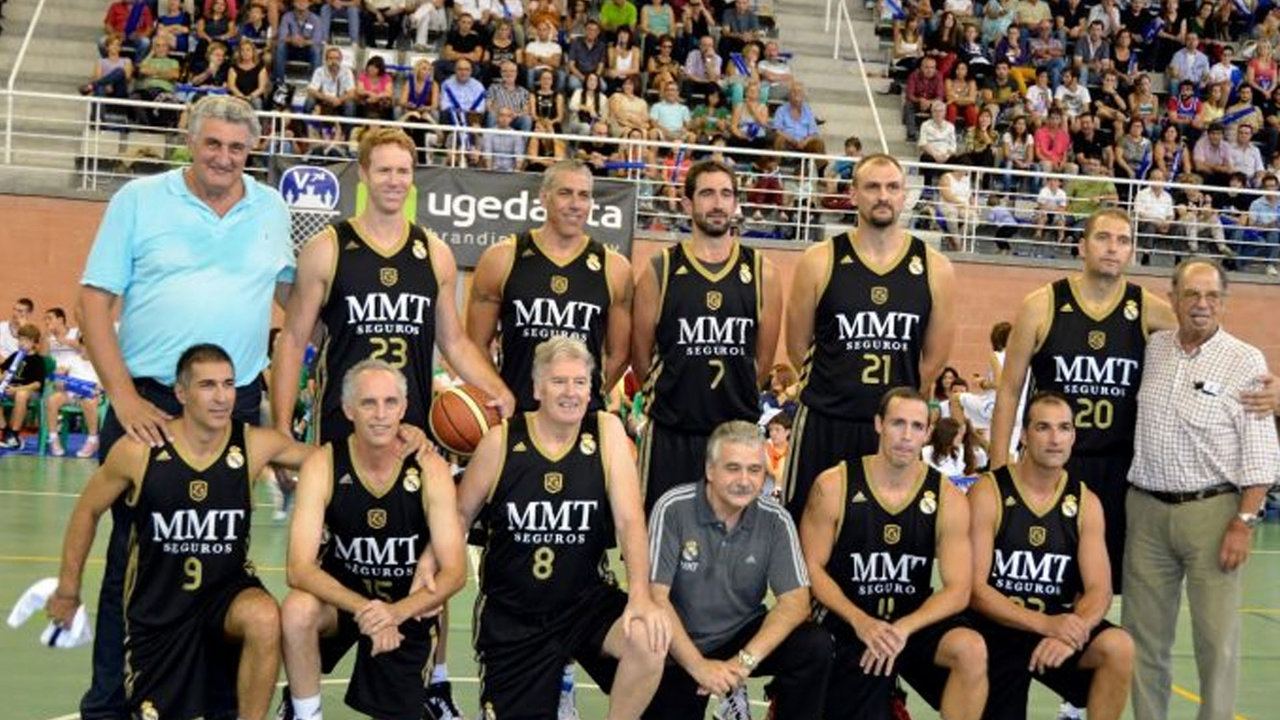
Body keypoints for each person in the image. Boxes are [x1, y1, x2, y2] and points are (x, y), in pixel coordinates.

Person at [76, 95, 294, 720]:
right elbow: (94, 301)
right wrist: (120, 395)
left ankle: (213, 698)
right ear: (189, 140)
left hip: (236, 402)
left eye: (237, 148)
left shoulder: (270, 207)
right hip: (150, 400)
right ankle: (112, 702)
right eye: (213, 144)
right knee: (137, 558)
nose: (225, 158)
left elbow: (291, 300)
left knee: (222, 556)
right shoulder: (138, 202)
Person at [46, 345, 314, 720]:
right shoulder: (140, 450)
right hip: (158, 612)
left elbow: (333, 458)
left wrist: (401, 441)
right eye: (207, 385)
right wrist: (68, 588)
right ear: (181, 393)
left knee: (265, 616)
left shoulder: (253, 443)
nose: (222, 397)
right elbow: (86, 511)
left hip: (224, 600)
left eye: (229, 384)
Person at [456, 336, 670, 719]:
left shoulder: (606, 432)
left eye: (580, 382)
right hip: (513, 616)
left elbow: (629, 519)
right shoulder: (500, 442)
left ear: (592, 389)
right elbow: (459, 517)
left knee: (650, 638)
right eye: (558, 381)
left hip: (584, 604)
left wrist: (639, 594)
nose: (570, 392)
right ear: (537, 388)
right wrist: (432, 566)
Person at [272, 126, 513, 446]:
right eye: (384, 170)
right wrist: (281, 426)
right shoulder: (327, 248)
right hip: (340, 422)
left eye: (403, 171)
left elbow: (454, 342)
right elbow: (292, 340)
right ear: (363, 173)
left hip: (411, 427)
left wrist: (497, 389)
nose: (394, 180)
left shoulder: (435, 253)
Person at [989, 208, 1177, 594]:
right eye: (1103, 238)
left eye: (1123, 241)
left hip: (1118, 468)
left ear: (1132, 252)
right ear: (1081, 246)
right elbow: (1009, 390)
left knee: (1102, 585)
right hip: (1051, 465)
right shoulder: (1041, 304)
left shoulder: (1151, 310)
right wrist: (997, 465)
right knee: (1038, 578)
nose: (1113, 248)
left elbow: (1209, 346)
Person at [1124, 259, 1280, 720]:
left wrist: (1245, 521)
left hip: (1214, 514)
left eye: (1212, 296)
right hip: (1147, 512)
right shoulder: (1154, 348)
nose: (1202, 305)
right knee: (1143, 641)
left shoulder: (1245, 360)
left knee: (1216, 643)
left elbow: (1261, 452)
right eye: (1191, 294)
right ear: (1171, 299)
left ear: (1225, 302)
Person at [278, 360, 467, 720]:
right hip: (344, 600)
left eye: (390, 402)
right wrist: (368, 611)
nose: (381, 414)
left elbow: (455, 571)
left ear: (404, 407)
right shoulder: (324, 463)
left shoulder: (430, 468)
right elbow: (298, 569)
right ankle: (305, 713)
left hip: (407, 605)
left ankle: (427, 690)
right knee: (297, 609)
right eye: (368, 403)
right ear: (349, 409)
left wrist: (394, 613)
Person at [782, 154, 956, 519]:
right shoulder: (819, 260)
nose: (883, 196)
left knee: (880, 539)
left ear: (904, 195)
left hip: (892, 432)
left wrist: (896, 409)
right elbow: (798, 347)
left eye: (892, 187)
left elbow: (935, 359)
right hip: (825, 421)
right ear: (852, 195)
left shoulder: (936, 267)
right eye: (872, 187)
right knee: (804, 529)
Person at [800, 387, 986, 720]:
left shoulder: (947, 498)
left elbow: (959, 590)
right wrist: (862, 622)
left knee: (970, 650)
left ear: (928, 433)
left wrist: (904, 628)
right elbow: (811, 569)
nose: (906, 435)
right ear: (878, 424)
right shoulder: (834, 485)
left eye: (917, 427)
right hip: (850, 621)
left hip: (911, 623)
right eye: (897, 423)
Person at [644, 420, 832, 720]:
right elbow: (656, 598)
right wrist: (699, 667)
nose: (744, 480)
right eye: (733, 468)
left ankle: (737, 689)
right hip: (679, 643)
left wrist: (742, 663)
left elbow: (795, 603)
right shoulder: (673, 508)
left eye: (754, 470)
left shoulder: (776, 520)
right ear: (710, 470)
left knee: (814, 645)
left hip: (740, 633)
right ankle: (722, 690)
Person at [969, 391, 1135, 720]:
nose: (1055, 438)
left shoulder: (1086, 503)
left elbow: (1099, 589)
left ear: (1074, 436)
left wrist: (1075, 631)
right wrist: (1046, 624)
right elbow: (974, 590)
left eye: (1064, 428)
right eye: (1043, 427)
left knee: (1118, 647)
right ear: (1025, 435)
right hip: (996, 631)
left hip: (1055, 629)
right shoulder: (989, 492)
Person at [632, 160, 783, 510]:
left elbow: (762, 360)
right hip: (671, 432)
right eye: (707, 194)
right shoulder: (661, 268)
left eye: (726, 194)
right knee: (661, 545)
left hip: (735, 435)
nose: (717, 203)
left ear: (735, 204)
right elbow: (640, 355)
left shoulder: (763, 272)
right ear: (687, 204)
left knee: (735, 551)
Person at [468, 160, 633, 414]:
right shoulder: (502, 258)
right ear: (544, 198)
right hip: (518, 413)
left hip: (581, 418)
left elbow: (619, 354)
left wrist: (584, 395)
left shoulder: (614, 267)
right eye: (565, 193)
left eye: (584, 196)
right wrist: (500, 392)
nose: (575, 204)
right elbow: (476, 343)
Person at [43, 307, 103, 458]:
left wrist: (99, 388)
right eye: (83, 345)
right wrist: (58, 377)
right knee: (52, 400)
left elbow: (105, 383)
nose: (85, 348)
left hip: (91, 395)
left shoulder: (100, 363)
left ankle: (92, 439)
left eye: (89, 345)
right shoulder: (72, 359)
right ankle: (53, 438)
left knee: (88, 401)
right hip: (70, 393)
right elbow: (61, 372)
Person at [0, 323, 45, 450]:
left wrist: (17, 389)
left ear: (34, 343)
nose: (21, 343)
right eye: (20, 339)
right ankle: (5, 431)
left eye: (25, 340)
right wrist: (2, 377)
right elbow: (3, 371)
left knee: (21, 395)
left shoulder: (37, 360)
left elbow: (37, 384)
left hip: (28, 391)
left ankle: (14, 435)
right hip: (10, 388)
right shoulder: (15, 355)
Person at [0, 296, 34, 361]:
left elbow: (32, 355)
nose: (15, 313)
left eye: (20, 311)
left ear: (29, 314)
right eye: (14, 309)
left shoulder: (33, 334)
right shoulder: (1, 327)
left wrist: (25, 329)